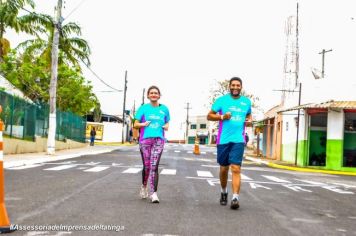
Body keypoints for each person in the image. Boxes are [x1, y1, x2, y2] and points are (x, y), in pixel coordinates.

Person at [207, 77, 252, 210]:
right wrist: (222, 117)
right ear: (229, 87)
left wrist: (249, 120)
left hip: (239, 139)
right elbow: (209, 116)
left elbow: (249, 115)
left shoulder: (246, 102)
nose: (235, 87)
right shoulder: (221, 100)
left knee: (236, 168)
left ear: (241, 87)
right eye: (233, 85)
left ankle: (235, 198)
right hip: (223, 140)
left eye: (238, 85)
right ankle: (224, 191)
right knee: (224, 169)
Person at [134, 85, 170, 203]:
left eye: (156, 93)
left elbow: (167, 123)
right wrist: (143, 124)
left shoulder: (164, 109)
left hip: (159, 140)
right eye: (151, 93)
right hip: (145, 140)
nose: (154, 94)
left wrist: (166, 126)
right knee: (147, 166)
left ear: (159, 95)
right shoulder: (143, 108)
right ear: (148, 95)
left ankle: (153, 193)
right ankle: (144, 186)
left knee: (154, 166)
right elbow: (135, 124)